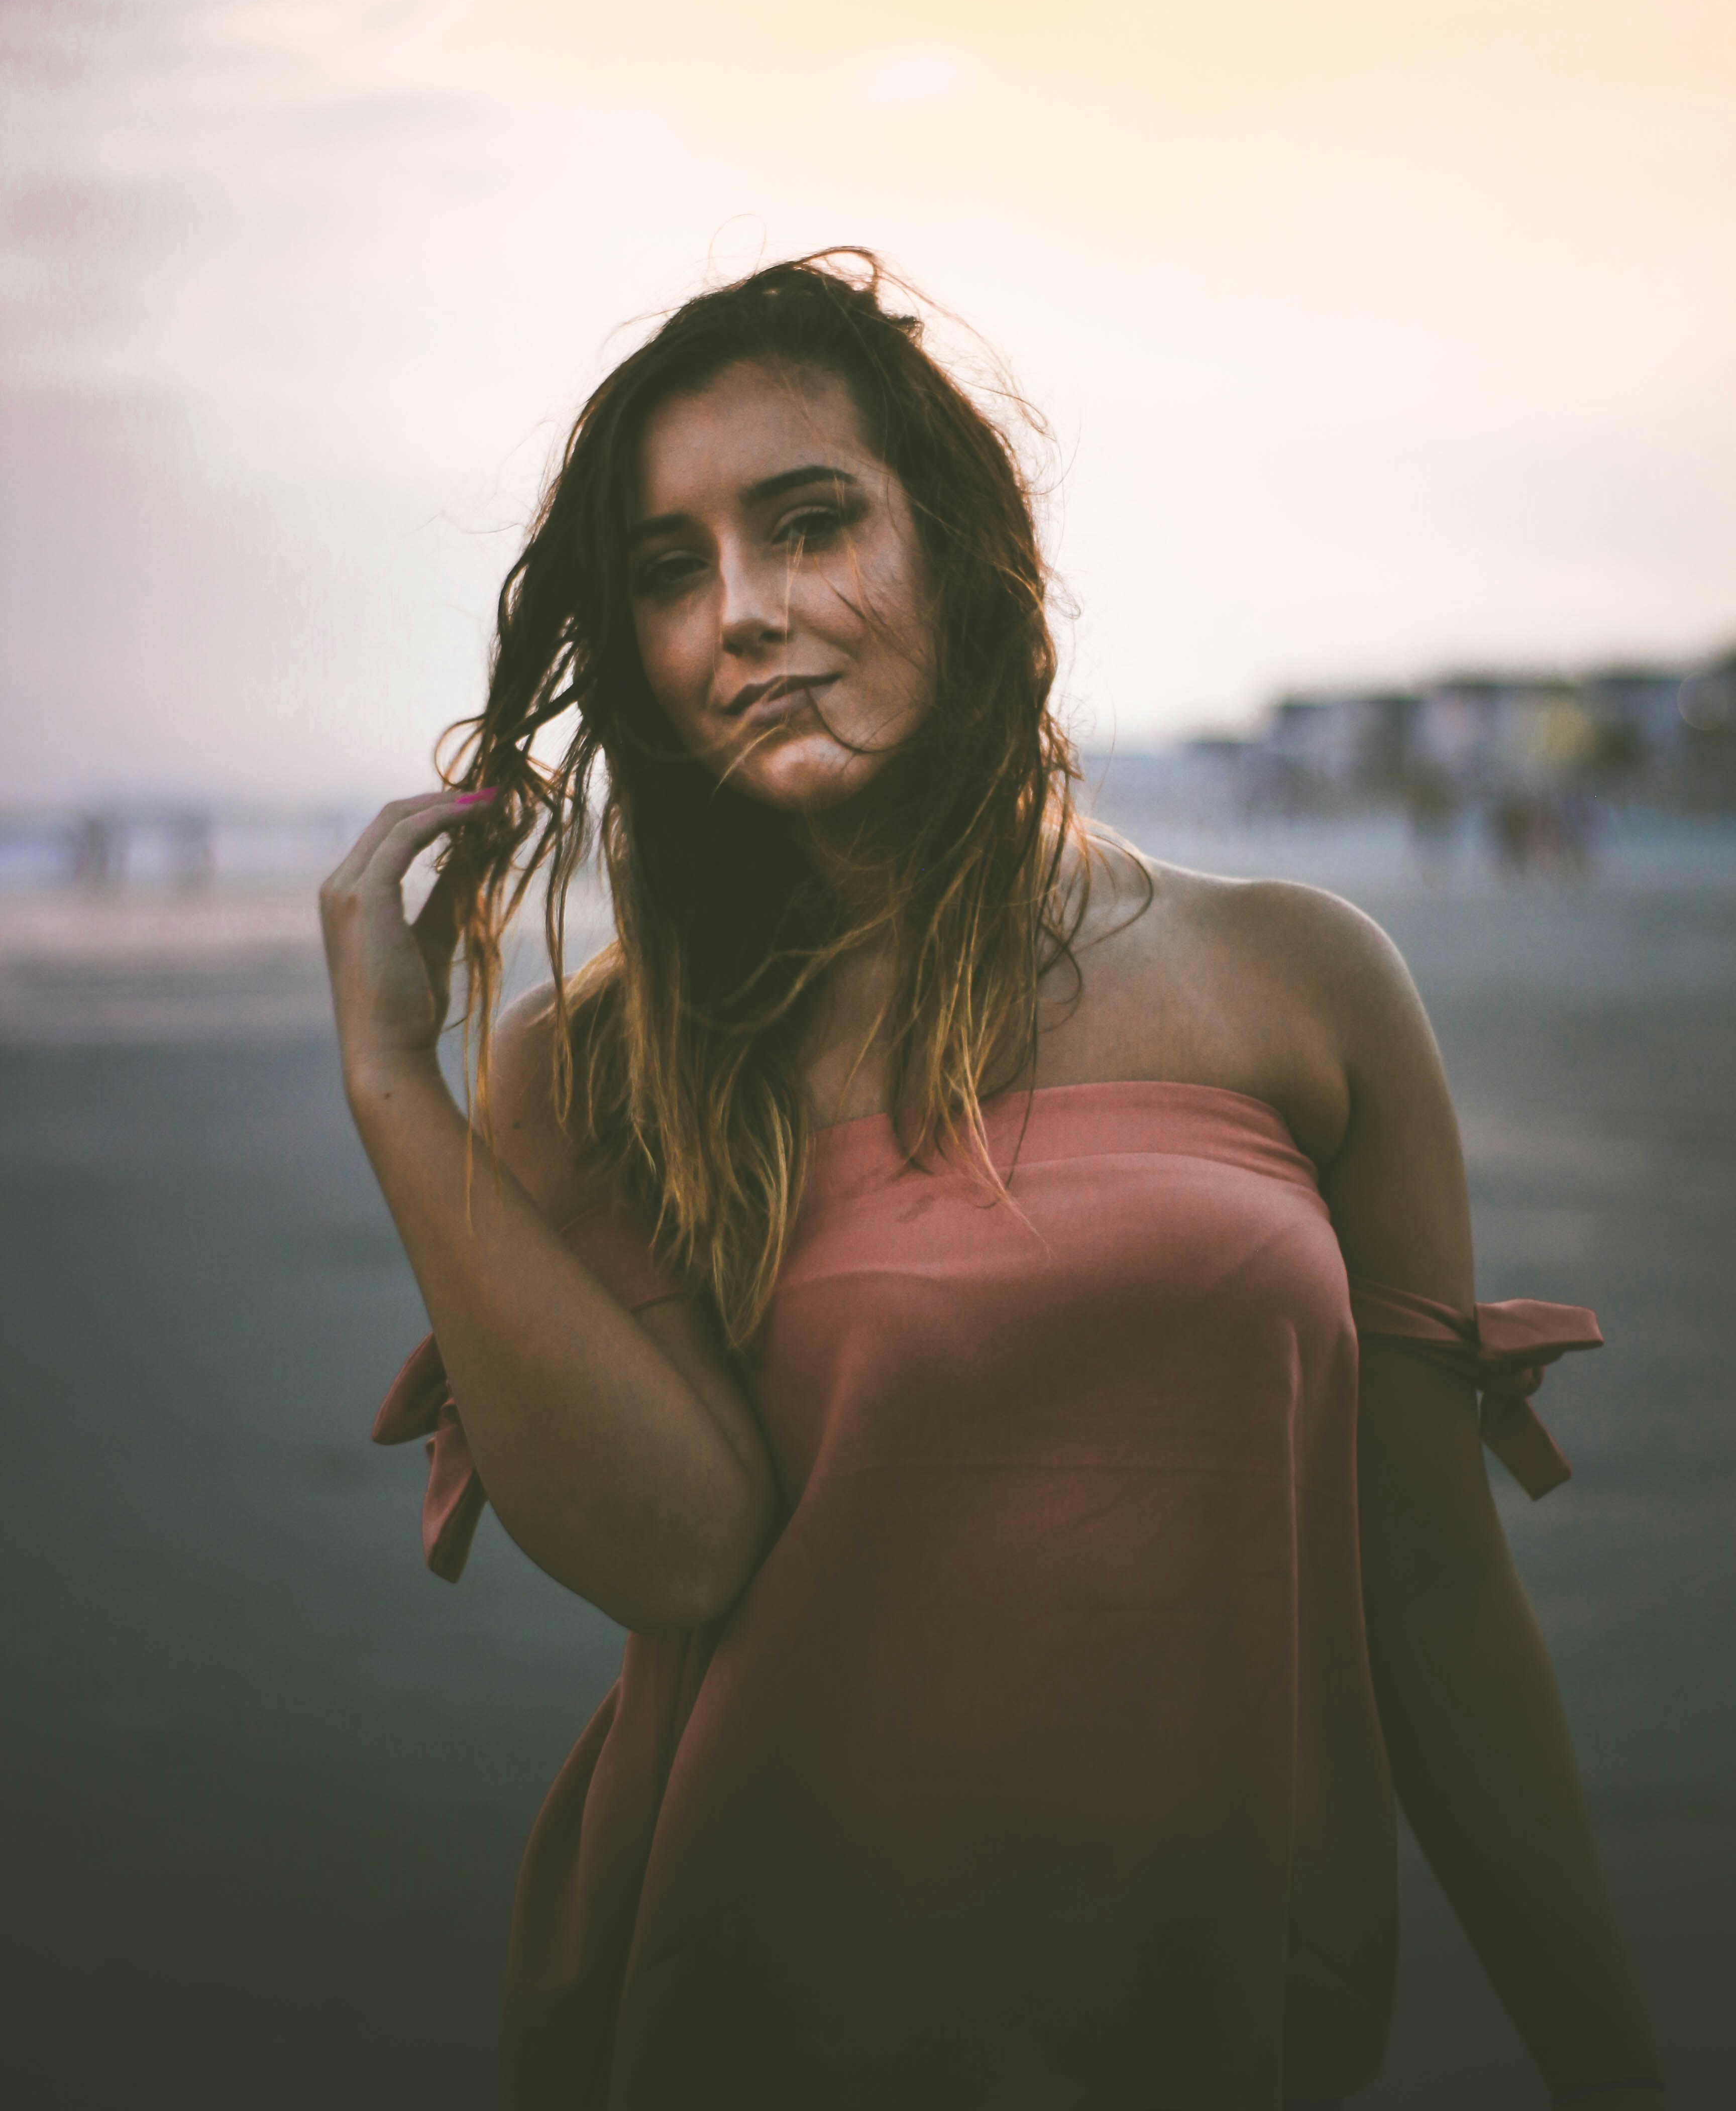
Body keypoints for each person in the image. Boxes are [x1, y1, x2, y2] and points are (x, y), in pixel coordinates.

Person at [319, 254, 1663, 2109]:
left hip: (1213, 2008)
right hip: (751, 1999)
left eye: (809, 526)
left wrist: (1614, 2056)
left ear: (953, 542)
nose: (745, 616)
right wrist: (399, 1085)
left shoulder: (1298, 977)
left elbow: (1432, 1591)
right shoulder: (598, 1069)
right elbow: (676, 1548)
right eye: (668, 571)